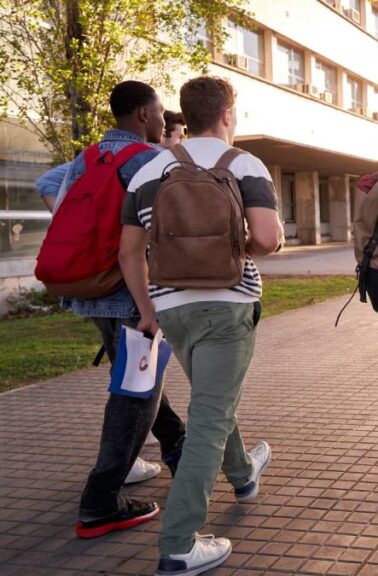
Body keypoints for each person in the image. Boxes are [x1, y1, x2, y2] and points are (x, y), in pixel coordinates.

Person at [120, 75, 284, 576]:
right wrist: (230, 249)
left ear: (184, 116)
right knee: (210, 417)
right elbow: (269, 238)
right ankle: (179, 543)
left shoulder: (149, 169)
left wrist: (148, 310)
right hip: (228, 306)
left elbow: (129, 251)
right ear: (228, 114)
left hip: (172, 309)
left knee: (215, 401)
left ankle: (243, 471)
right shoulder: (245, 165)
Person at [53, 81, 188, 539]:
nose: (163, 118)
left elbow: (45, 184)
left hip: (92, 287)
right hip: (132, 292)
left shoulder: (89, 157)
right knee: (135, 397)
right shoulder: (151, 160)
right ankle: (99, 502)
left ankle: (178, 447)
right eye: (159, 110)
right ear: (144, 115)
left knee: (140, 379)